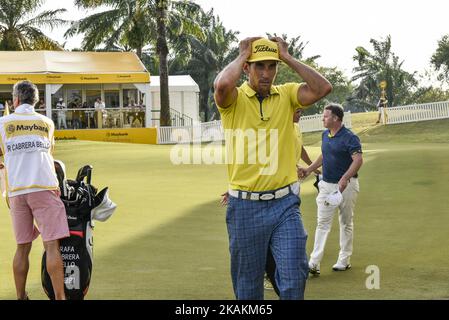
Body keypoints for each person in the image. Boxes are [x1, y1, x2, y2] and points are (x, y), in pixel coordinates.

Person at [214, 37, 332, 300]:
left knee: (294, 274)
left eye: (272, 66)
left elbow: (323, 87)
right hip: (244, 207)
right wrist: (243, 54)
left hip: (284, 205)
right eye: (259, 67)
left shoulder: (288, 94)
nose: (266, 74)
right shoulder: (234, 99)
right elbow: (222, 85)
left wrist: (287, 57)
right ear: (246, 68)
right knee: (248, 288)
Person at [0, 80, 69, 300]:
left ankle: (21, 297)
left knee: (22, 247)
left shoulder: (3, 122)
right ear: (36, 100)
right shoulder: (47, 122)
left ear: (15, 99)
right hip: (44, 186)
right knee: (51, 245)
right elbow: (48, 153)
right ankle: (59, 297)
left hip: (17, 191)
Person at [298, 104, 363, 276]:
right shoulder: (325, 134)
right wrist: (309, 169)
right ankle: (313, 263)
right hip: (326, 186)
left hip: (347, 187)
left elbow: (358, 161)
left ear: (336, 118)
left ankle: (344, 259)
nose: (323, 119)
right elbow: (324, 155)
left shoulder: (350, 137)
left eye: (326, 116)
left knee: (346, 222)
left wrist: (345, 177)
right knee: (322, 223)